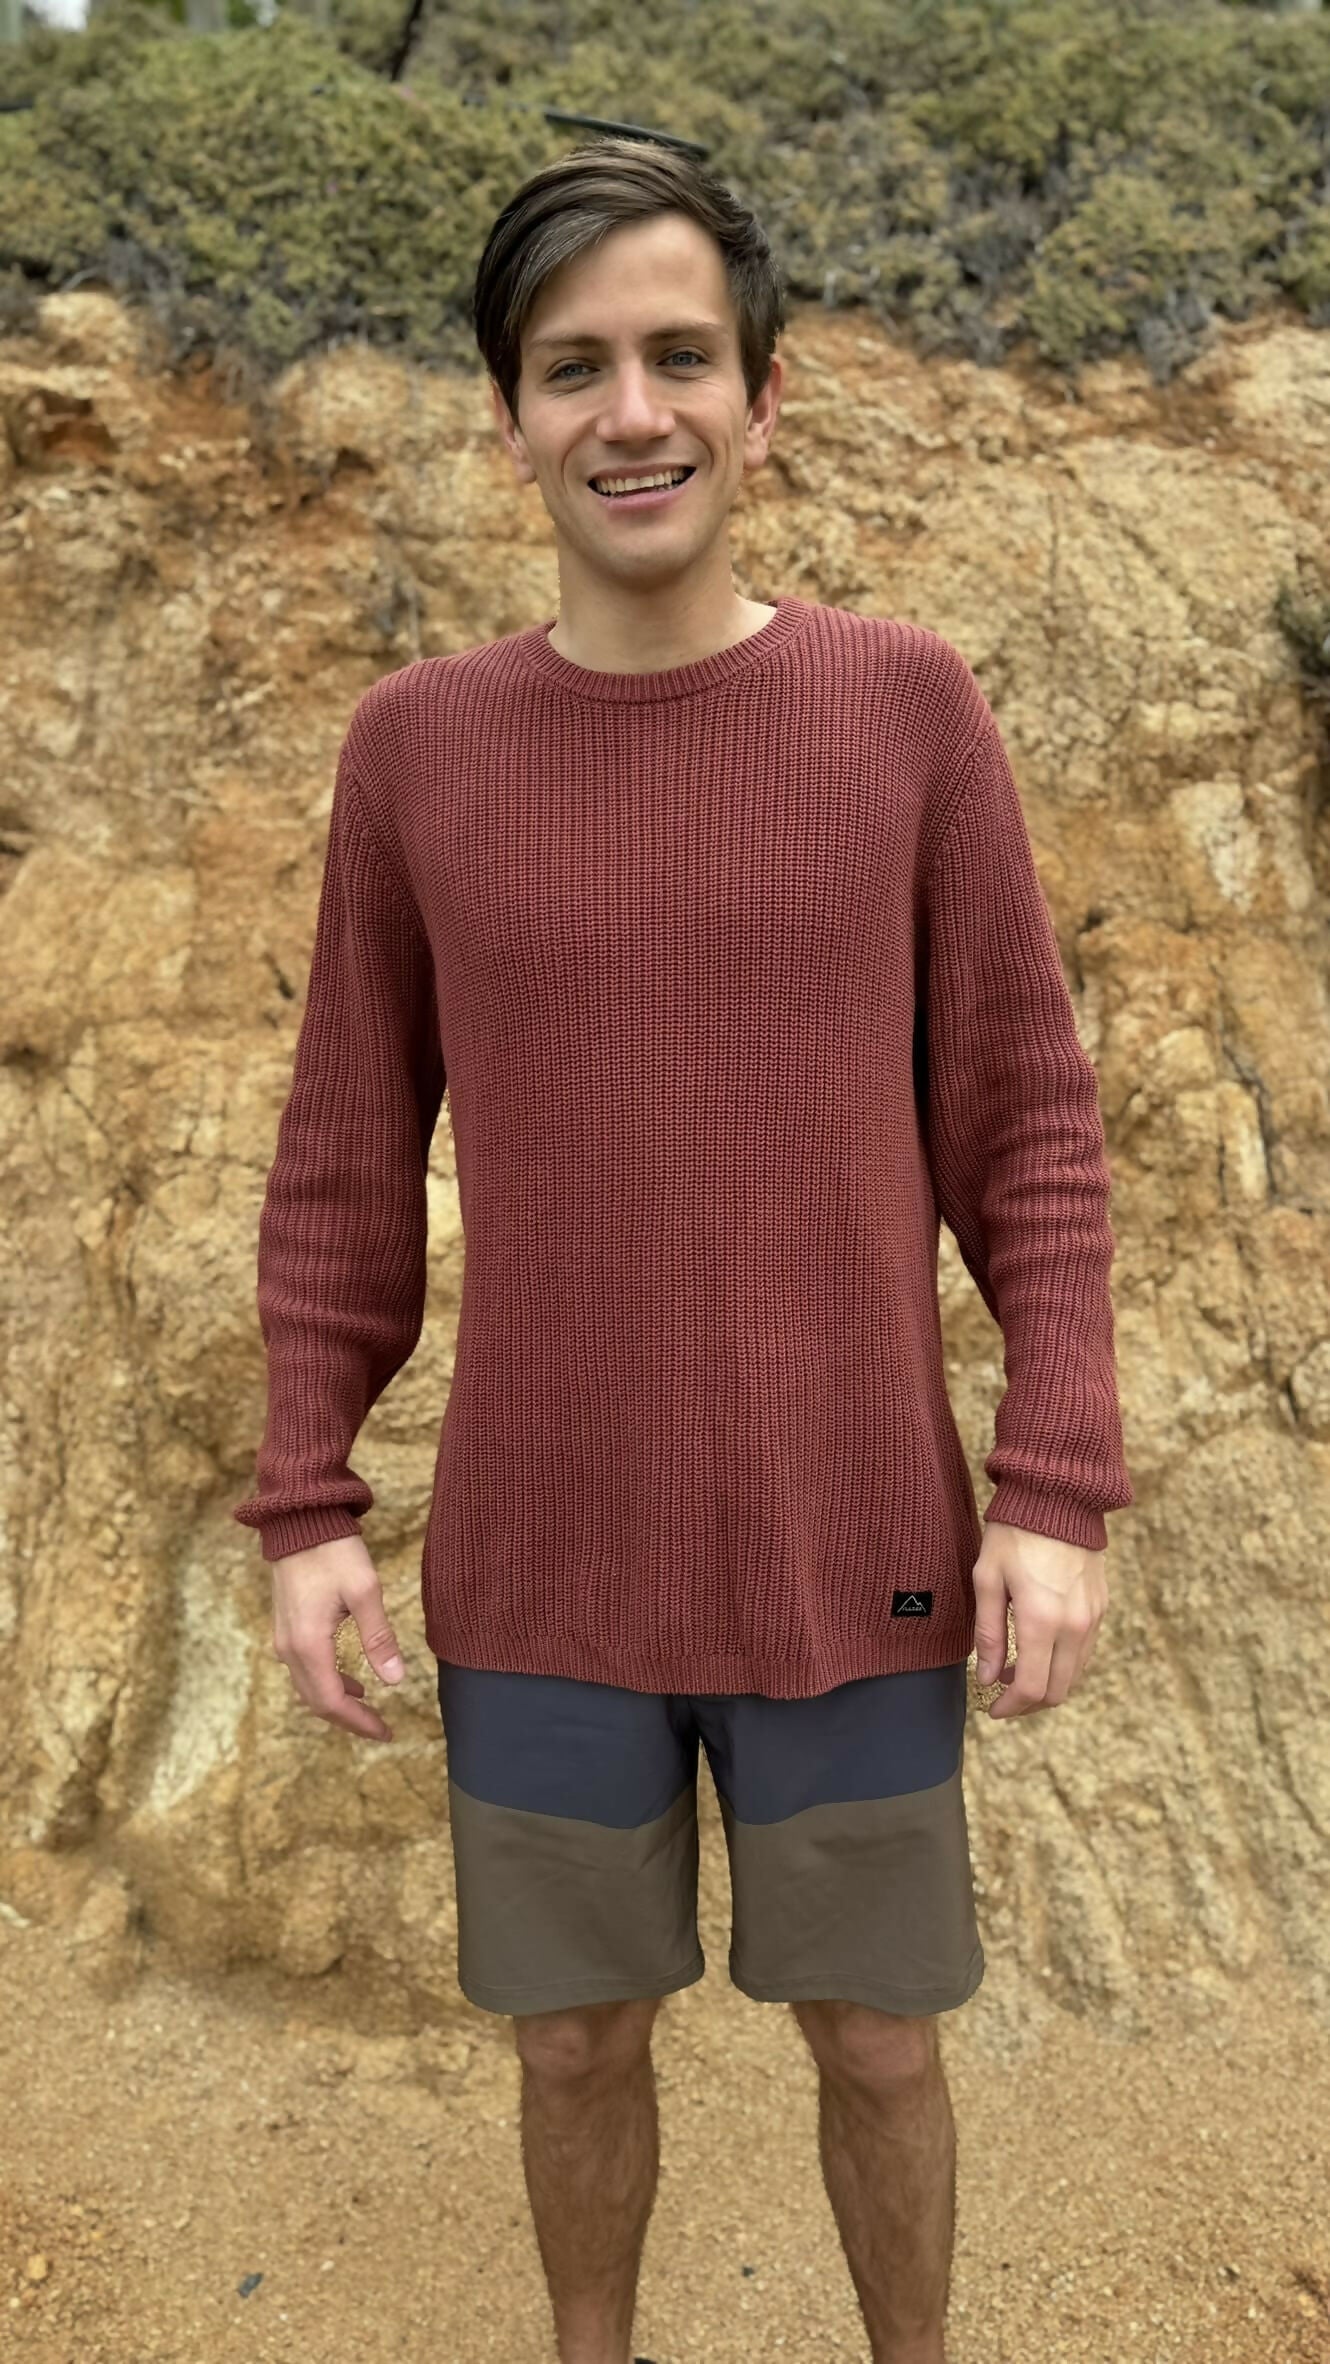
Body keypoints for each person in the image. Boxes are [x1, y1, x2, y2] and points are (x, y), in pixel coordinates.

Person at [234, 133, 1133, 2364]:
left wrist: (1051, 1488)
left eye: (675, 357)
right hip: (547, 1554)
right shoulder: (415, 752)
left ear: (760, 395)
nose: (627, 411)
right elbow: (343, 1158)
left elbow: (1026, 1132)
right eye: (572, 367)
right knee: (568, 2043)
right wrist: (305, 1499)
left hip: (851, 1537)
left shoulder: (901, 709)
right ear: (508, 417)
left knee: (882, 2043)